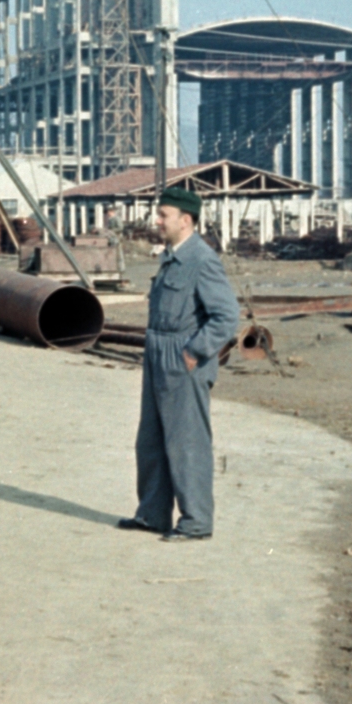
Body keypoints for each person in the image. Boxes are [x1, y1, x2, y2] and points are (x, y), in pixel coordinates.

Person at [118, 186, 240, 542]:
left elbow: (226, 316)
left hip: (183, 357)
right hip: (158, 352)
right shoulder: (172, 257)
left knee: (187, 443)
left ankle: (196, 521)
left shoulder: (202, 260)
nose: (157, 221)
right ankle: (152, 514)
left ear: (185, 220)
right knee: (151, 440)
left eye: (163, 215)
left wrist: (194, 352)